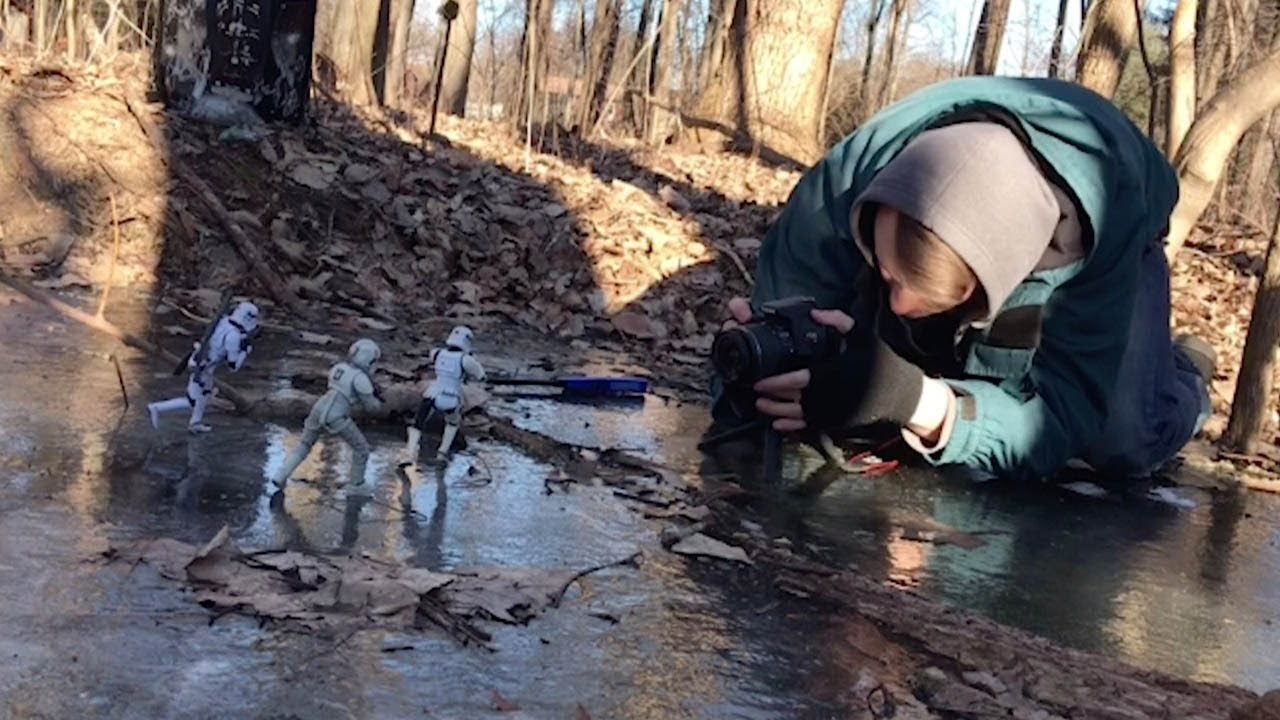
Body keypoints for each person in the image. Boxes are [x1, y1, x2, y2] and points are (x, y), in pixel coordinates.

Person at [717, 76, 1215, 482]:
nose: (898, 305)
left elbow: (1062, 418)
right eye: (886, 276)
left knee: (1122, 442)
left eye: (923, 293)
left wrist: (921, 403)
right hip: (923, 185)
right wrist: (767, 364)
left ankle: (1186, 374)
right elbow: (787, 303)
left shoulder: (1105, 224)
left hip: (1125, 234)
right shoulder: (842, 183)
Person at [272, 338, 383, 492]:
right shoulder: (360, 378)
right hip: (337, 416)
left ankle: (281, 475)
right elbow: (371, 407)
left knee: (304, 444)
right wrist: (378, 399)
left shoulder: (339, 368)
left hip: (318, 408)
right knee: (361, 448)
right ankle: (356, 484)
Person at [148, 300, 259, 434]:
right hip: (202, 366)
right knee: (192, 401)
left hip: (205, 365)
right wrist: (244, 352)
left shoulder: (223, 322)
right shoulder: (233, 336)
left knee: (204, 395)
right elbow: (233, 366)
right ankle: (157, 407)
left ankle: (195, 423)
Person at [404, 326, 486, 465]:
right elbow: (481, 376)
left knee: (418, 423)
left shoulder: (437, 353)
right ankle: (442, 453)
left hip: (432, 394)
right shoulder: (466, 360)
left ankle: (409, 453)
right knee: (452, 424)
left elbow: (431, 356)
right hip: (452, 398)